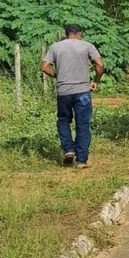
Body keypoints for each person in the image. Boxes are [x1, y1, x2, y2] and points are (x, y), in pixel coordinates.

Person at [41, 24, 104, 169]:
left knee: (63, 120)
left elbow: (44, 67)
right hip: (82, 91)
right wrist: (96, 81)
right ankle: (81, 161)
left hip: (63, 91)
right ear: (80, 33)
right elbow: (100, 66)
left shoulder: (55, 47)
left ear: (66, 33)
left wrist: (57, 75)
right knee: (83, 124)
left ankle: (69, 150)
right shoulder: (87, 46)